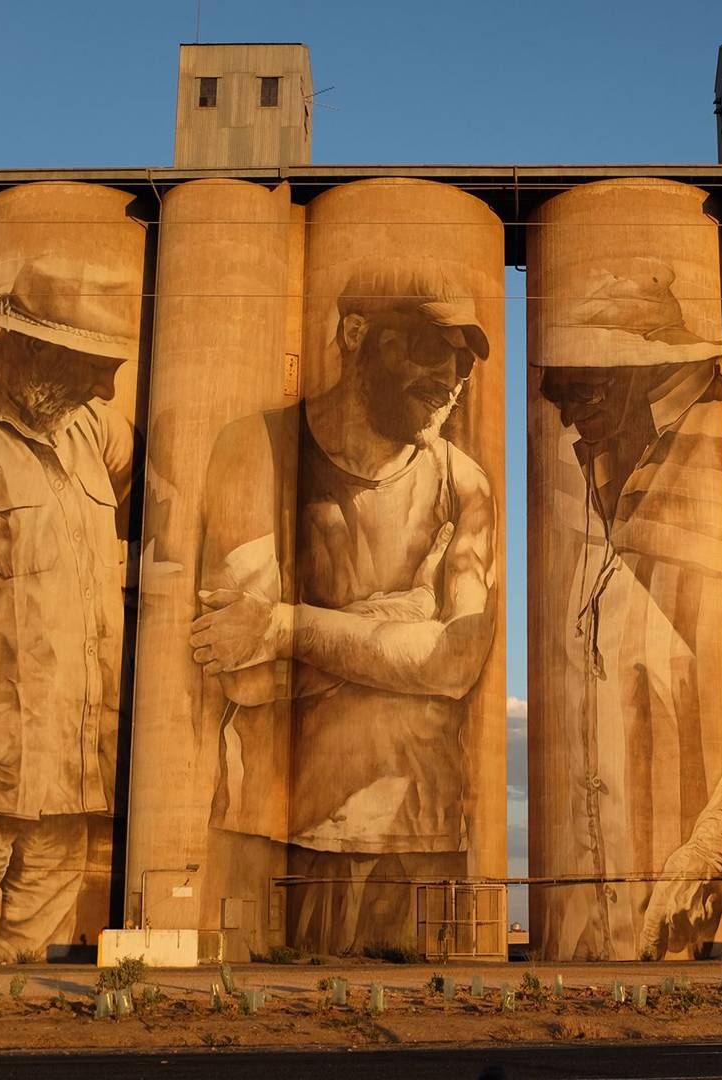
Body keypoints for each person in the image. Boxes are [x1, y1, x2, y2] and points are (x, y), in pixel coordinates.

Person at [531, 258, 722, 960]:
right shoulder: (604, 467)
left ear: (648, 372)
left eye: (581, 383)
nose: (561, 406)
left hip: (709, 893)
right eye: (555, 384)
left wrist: (709, 846)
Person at [190, 260, 499, 954]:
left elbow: (455, 662)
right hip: (279, 832)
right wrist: (407, 614)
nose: (449, 377)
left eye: (463, 360)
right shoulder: (258, 448)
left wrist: (286, 626)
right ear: (357, 334)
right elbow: (242, 670)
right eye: (427, 347)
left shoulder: (463, 484)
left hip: (421, 833)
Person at [0, 257, 140, 963]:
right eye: (96, 366)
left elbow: (158, 454)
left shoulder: (85, 429)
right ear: (39, 350)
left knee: (21, 1002)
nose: (108, 387)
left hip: (69, 784)